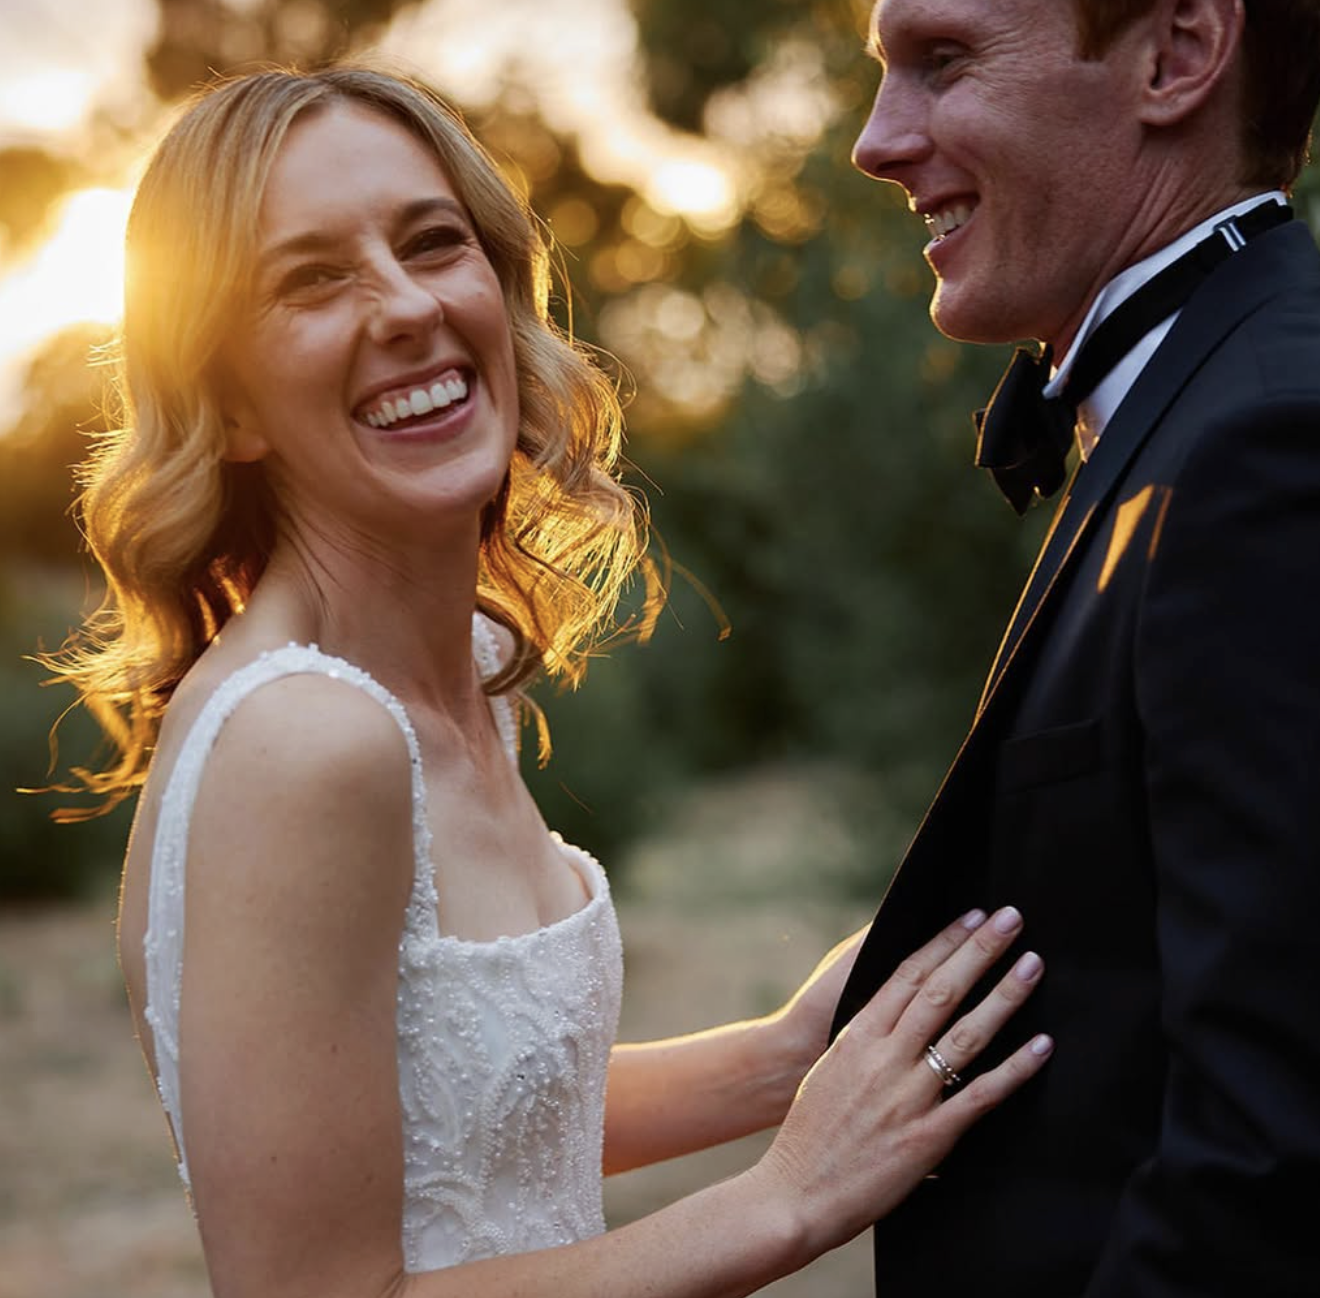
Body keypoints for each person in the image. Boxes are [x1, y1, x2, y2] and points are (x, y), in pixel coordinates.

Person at [44, 66, 1053, 1296]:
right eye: (313, 279)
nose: (407, 304)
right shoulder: (306, 741)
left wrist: (789, 1051)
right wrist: (789, 1198)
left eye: (433, 243)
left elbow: (450, 1110)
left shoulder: (459, 671)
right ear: (229, 404)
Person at [831, 1, 1320, 1295]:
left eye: (941, 61)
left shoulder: (1268, 446)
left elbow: (1273, 1148)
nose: (876, 141)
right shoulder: (1189, 413)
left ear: (1175, 56)